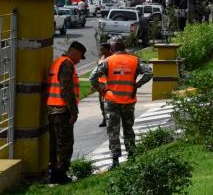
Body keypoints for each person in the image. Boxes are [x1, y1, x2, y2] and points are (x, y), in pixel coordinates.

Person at [90, 36, 153, 168]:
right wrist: (137, 85)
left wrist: (102, 90)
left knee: (113, 130)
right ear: (124, 47)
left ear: (112, 48)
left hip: (111, 100)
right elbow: (148, 73)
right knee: (128, 128)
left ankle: (115, 161)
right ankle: (131, 155)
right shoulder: (135, 60)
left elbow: (92, 77)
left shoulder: (107, 61)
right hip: (129, 100)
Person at [47, 41, 87, 184]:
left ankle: (53, 173)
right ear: (75, 52)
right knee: (65, 144)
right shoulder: (67, 64)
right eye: (80, 57)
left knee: (54, 143)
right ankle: (60, 175)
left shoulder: (57, 61)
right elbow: (66, 89)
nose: (78, 61)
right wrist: (73, 112)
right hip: (62, 110)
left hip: (52, 109)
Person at [96, 43, 112, 127]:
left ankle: (112, 118)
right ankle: (104, 118)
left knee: (110, 102)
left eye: (102, 49)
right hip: (101, 84)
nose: (100, 50)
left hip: (110, 84)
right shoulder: (101, 58)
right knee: (102, 103)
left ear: (107, 49)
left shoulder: (112, 58)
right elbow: (97, 71)